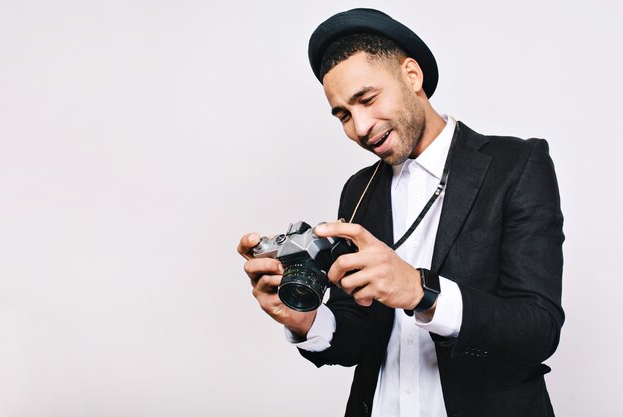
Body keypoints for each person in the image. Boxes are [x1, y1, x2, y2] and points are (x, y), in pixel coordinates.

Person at [237, 8, 564, 417]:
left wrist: (420, 291)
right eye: (343, 114)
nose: (359, 126)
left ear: (412, 76)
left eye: (367, 99)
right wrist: (304, 321)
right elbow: (360, 330)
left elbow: (539, 328)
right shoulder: (359, 190)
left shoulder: (517, 164)